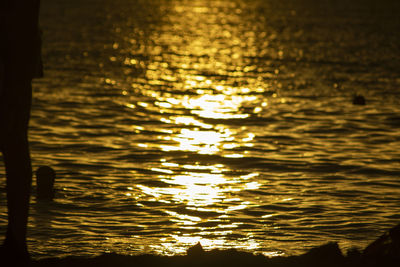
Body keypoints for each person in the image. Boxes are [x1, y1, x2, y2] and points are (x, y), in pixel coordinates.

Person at [0, 0, 42, 263]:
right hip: (18, 55)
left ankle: (16, 240)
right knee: (15, 145)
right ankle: (16, 240)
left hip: (15, 57)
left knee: (14, 144)